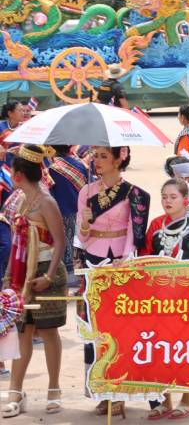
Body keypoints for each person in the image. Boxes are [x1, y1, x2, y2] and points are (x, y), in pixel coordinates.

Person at [77, 146, 149, 418]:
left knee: (120, 331)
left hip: (120, 262)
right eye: (95, 156)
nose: (96, 161)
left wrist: (127, 258)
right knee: (94, 329)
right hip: (94, 260)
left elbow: (134, 229)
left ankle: (119, 392)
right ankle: (99, 390)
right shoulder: (86, 192)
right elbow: (82, 238)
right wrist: (84, 225)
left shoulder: (132, 192)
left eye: (103, 156)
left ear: (119, 159)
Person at [0, 145, 66, 417]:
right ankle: (16, 391)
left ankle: (54, 389)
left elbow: (60, 243)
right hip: (21, 274)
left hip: (45, 271)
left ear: (17, 174)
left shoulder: (46, 202)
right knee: (23, 331)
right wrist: (8, 278)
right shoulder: (20, 200)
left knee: (49, 332)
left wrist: (48, 276)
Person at [45, 145, 87, 280]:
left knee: (62, 244)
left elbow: (49, 192)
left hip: (60, 211)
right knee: (77, 243)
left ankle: (66, 275)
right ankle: (76, 274)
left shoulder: (51, 169)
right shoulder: (80, 164)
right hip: (78, 210)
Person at [146, 179, 189, 260]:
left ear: (185, 199)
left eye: (173, 197)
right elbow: (145, 255)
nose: (167, 201)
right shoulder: (156, 223)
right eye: (164, 197)